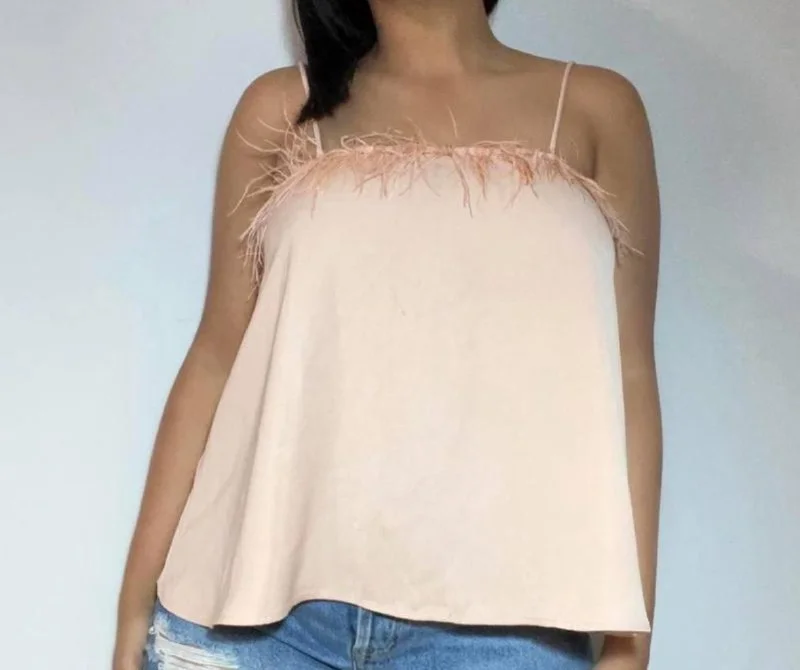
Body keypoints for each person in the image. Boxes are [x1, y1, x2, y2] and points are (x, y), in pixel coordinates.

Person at [113, 0, 662, 668]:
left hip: (510, 628)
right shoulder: (281, 109)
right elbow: (216, 357)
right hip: (253, 622)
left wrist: (630, 643)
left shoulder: (597, 108)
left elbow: (631, 378)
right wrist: (134, 607)